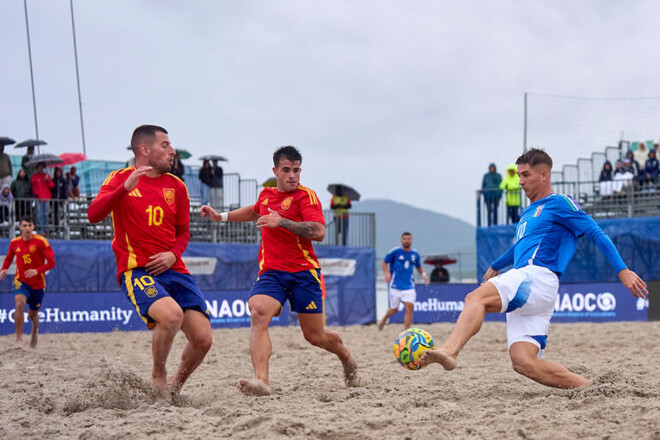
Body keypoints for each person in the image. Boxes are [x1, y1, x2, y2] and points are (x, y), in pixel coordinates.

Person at [418, 148, 647, 389]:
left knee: (475, 298)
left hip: (536, 278)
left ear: (544, 175)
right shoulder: (528, 212)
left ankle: (450, 352)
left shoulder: (559, 202)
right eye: (519, 175)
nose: (521, 181)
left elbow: (595, 233)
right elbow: (518, 248)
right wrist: (496, 266)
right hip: (535, 290)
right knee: (523, 362)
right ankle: (591, 388)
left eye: (526, 175)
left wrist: (623, 270)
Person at [200, 145, 359, 396]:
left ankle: (345, 353)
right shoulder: (266, 195)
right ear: (275, 170)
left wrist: (281, 221)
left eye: (296, 170)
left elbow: (318, 231)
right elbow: (253, 211)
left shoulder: (306, 197)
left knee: (314, 336)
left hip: (303, 272)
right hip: (272, 272)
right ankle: (262, 382)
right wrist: (222, 216)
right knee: (258, 313)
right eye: (286, 170)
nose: (292, 175)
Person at [88, 125, 212, 395]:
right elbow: (93, 214)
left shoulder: (177, 186)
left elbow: (183, 231)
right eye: (165, 145)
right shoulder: (119, 178)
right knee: (171, 316)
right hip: (137, 269)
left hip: (173, 268)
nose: (172, 150)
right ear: (144, 150)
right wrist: (123, 189)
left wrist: (173, 254)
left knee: (203, 340)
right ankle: (158, 373)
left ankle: (175, 387)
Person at [0, 216, 56, 349]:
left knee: (32, 315)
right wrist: (3, 269)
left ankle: (35, 328)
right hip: (21, 280)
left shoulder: (41, 241)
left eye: (29, 226)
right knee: (19, 303)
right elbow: (8, 259)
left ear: (33, 227)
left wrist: (37, 270)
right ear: (20, 228)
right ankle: (18, 340)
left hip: (38, 284)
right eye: (24, 226)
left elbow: (52, 263)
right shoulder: (14, 243)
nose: (27, 229)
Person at [377, 232, 429, 330]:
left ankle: (406, 331)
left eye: (408, 239)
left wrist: (424, 275)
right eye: (404, 239)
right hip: (395, 285)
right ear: (401, 240)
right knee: (394, 310)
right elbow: (384, 263)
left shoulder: (415, 254)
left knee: (409, 307)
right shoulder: (395, 252)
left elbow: (418, 266)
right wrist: (387, 273)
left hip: (409, 285)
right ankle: (384, 318)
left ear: (411, 240)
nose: (406, 240)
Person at [30, 163, 53, 234]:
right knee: (39, 214)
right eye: (40, 167)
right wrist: (37, 195)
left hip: (46, 198)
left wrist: (48, 180)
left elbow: (51, 186)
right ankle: (40, 229)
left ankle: (45, 229)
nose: (41, 168)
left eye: (42, 167)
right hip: (39, 198)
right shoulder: (34, 176)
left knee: (45, 214)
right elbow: (33, 187)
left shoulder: (47, 176)